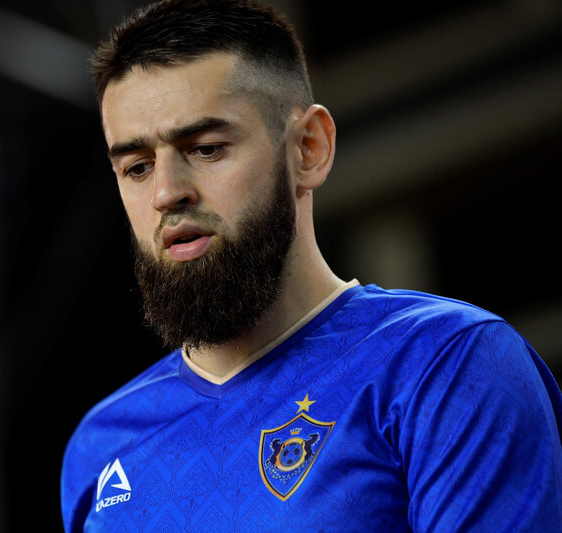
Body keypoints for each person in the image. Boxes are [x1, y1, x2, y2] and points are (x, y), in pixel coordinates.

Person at [60, 0, 562, 531]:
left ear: (309, 148)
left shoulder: (444, 363)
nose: (165, 193)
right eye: (137, 167)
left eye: (205, 149)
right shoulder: (101, 446)